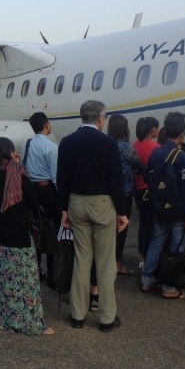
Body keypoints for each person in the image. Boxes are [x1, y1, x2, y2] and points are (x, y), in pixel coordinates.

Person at [58, 100, 127, 332]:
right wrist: (123, 212)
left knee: (82, 259)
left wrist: (64, 210)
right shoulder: (107, 143)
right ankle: (107, 318)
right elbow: (116, 180)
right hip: (103, 203)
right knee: (106, 262)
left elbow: (62, 178)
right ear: (100, 118)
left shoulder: (67, 142)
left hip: (76, 202)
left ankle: (77, 315)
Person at [0, 137, 54, 335]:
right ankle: (31, 324)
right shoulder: (17, 174)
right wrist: (17, 165)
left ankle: (8, 320)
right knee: (26, 281)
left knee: (6, 281)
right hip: (18, 234)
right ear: (9, 152)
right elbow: (33, 201)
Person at [141, 112, 185, 299]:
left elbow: (147, 176)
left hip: (158, 206)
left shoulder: (156, 152)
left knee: (156, 242)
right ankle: (169, 286)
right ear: (182, 134)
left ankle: (147, 280)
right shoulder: (182, 157)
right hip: (177, 210)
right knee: (176, 247)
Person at [22, 112, 59, 286]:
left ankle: (36, 270)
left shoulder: (26, 144)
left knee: (34, 230)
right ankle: (52, 272)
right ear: (46, 124)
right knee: (51, 230)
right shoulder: (51, 147)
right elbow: (55, 176)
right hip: (47, 191)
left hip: (30, 190)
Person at [107, 114, 143, 275]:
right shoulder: (126, 147)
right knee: (121, 228)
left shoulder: (107, 144)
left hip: (108, 192)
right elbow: (138, 164)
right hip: (125, 192)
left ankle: (106, 261)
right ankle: (117, 263)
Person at [133, 116, 160, 268]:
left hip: (137, 190)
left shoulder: (134, 146)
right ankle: (148, 258)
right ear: (152, 129)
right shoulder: (156, 148)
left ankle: (141, 256)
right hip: (150, 190)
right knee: (152, 226)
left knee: (144, 223)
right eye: (156, 127)